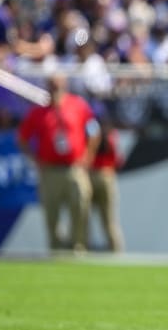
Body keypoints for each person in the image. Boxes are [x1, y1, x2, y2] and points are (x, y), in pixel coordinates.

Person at [17, 72, 101, 253]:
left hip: (74, 168)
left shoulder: (78, 105)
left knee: (80, 207)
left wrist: (88, 154)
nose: (55, 90)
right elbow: (22, 138)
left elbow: (93, 130)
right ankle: (55, 249)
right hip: (49, 170)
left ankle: (78, 246)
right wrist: (35, 159)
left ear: (65, 86)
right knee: (52, 213)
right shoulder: (38, 112)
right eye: (52, 86)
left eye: (58, 86)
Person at [88, 121, 124, 253]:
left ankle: (82, 249)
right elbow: (118, 159)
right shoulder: (111, 135)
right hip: (106, 175)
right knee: (109, 219)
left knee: (85, 217)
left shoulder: (91, 134)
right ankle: (115, 250)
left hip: (91, 175)